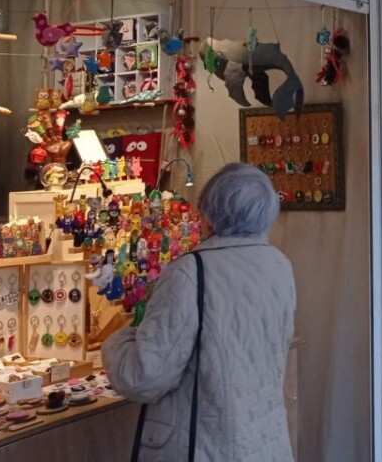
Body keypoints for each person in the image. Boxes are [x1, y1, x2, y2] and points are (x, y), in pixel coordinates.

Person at [103, 164, 296, 461]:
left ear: (208, 214)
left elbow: (145, 376)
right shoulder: (279, 264)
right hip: (265, 439)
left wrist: (118, 341)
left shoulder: (190, 272)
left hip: (206, 446)